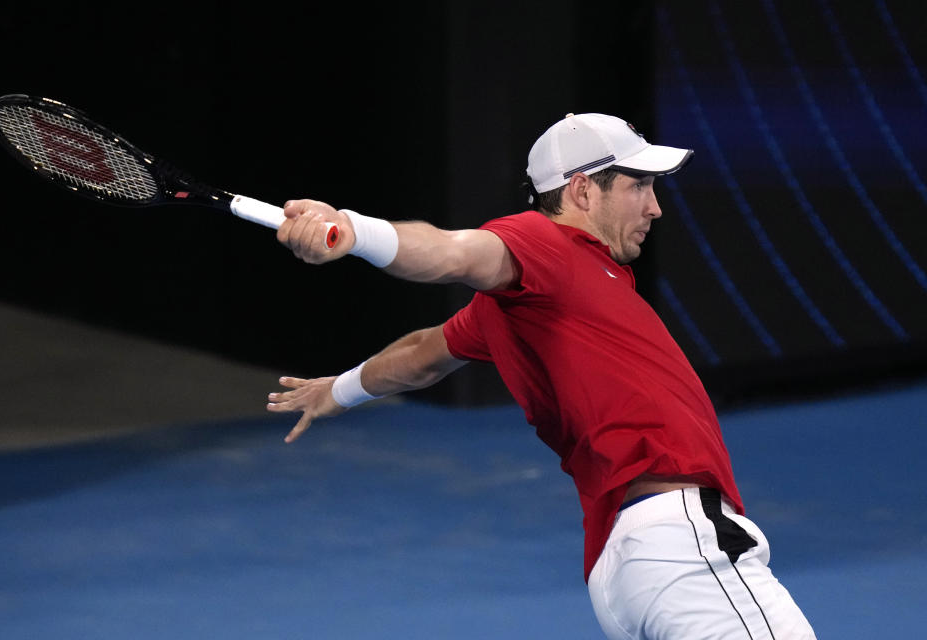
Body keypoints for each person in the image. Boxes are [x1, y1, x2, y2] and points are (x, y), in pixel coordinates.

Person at [266, 113, 816, 639]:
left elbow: (423, 355)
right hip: (679, 547)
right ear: (582, 191)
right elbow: (453, 252)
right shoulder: (545, 247)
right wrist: (354, 230)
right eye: (638, 187)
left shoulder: (535, 301)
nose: (655, 208)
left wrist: (336, 390)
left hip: (627, 563)